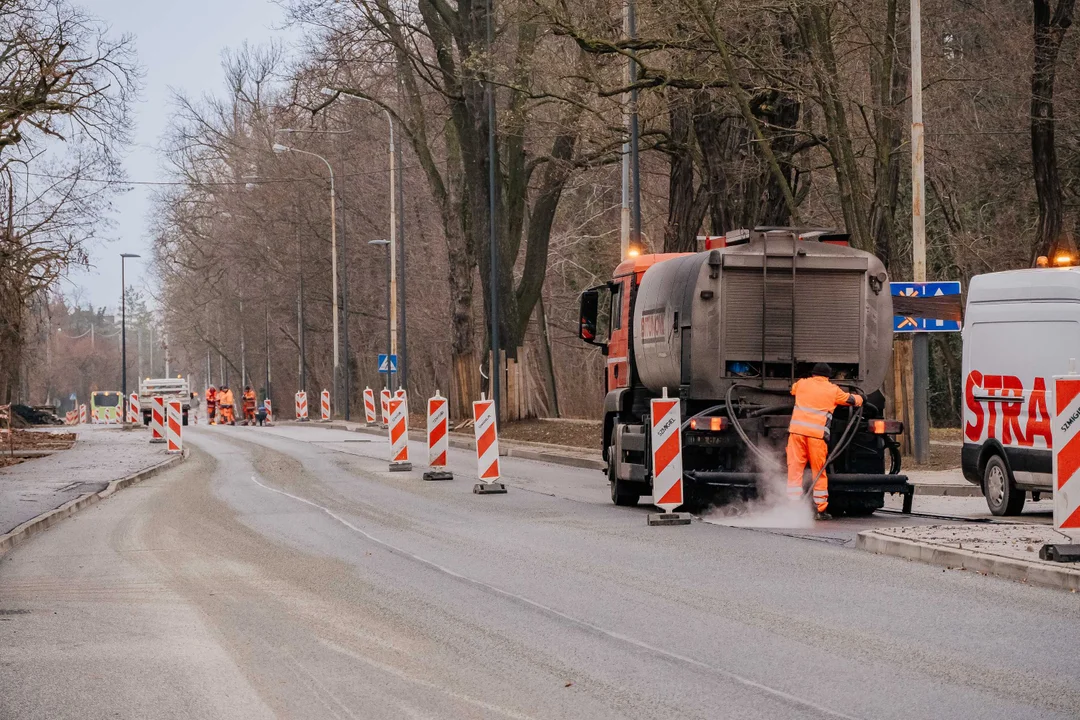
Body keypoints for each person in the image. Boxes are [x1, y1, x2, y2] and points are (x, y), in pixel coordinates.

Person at [786, 363, 863, 520]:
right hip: (816, 436)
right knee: (818, 471)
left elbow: (792, 389)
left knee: (794, 469)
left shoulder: (802, 383)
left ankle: (792, 505)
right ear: (828, 376)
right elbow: (851, 400)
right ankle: (820, 509)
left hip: (796, 434)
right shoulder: (832, 390)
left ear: (813, 374)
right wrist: (861, 398)